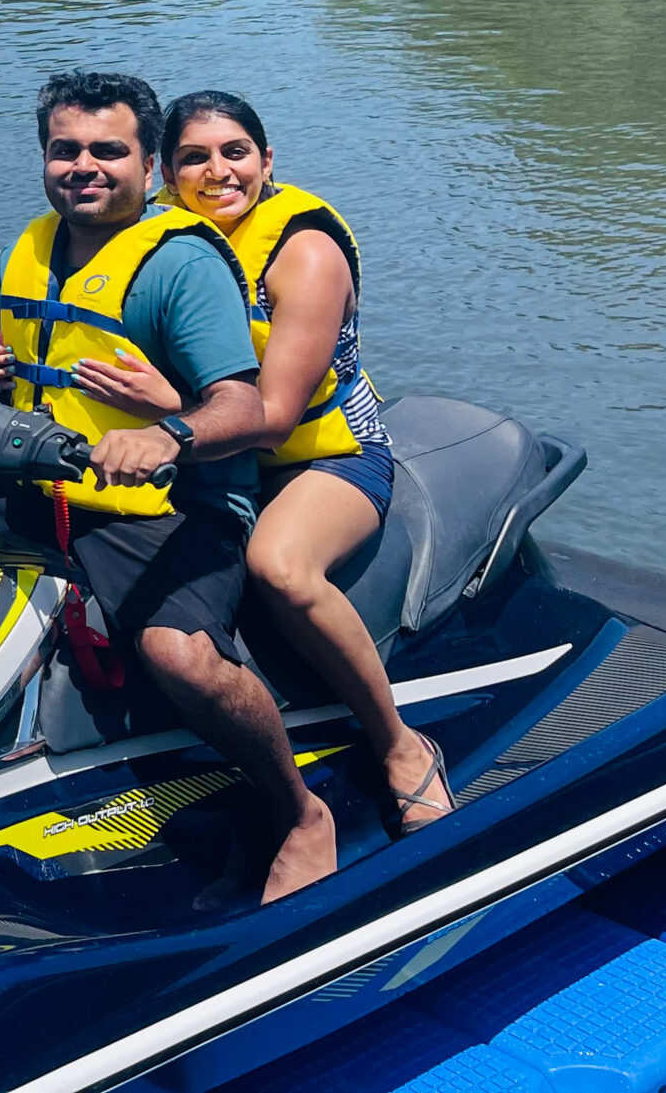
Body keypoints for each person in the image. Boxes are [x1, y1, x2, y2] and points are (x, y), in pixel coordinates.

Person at [0, 70, 339, 903]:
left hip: (170, 502)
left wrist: (166, 435)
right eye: (66, 149)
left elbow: (243, 403)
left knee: (180, 655)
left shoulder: (180, 265)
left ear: (147, 167)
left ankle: (300, 811)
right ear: (44, 156)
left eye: (108, 150)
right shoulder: (33, 244)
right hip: (40, 477)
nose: (84, 165)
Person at [64, 91, 450, 835]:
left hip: (320, 454)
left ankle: (399, 744)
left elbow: (270, 418)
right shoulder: (159, 244)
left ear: (267, 161)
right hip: (213, 456)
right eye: (194, 159)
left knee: (279, 566)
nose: (218, 172)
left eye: (235, 152)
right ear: (165, 175)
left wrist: (165, 409)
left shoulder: (303, 253)